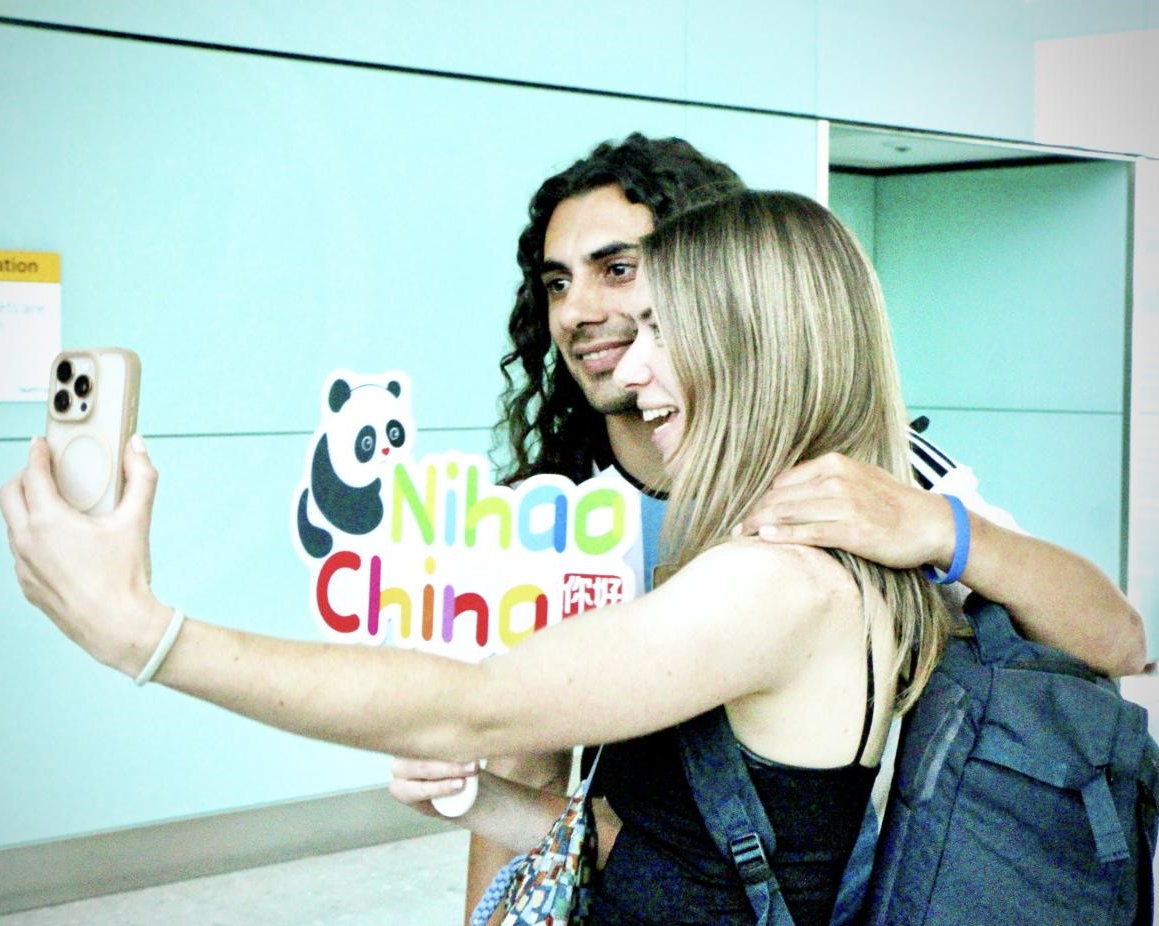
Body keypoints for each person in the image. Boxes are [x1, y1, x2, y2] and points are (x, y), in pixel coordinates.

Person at [0, 190, 1144, 924]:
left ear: (750, 348)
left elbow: (472, 697)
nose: (629, 370)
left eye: (658, 331)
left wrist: (146, 633)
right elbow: (673, 847)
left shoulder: (780, 580)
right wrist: (485, 801)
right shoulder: (773, 551)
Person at [384, 134, 1147, 921]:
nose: (580, 311)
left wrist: (939, 527)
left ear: (717, 282)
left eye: (619, 272)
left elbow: (1121, 638)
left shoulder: (871, 480)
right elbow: (557, 781)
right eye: (556, 283)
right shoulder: (554, 507)